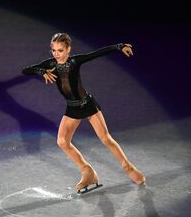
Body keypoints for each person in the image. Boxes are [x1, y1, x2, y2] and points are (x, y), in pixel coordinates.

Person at [22, 32, 146, 193]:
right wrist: (42, 71)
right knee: (62, 142)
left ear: (68, 50)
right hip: (72, 107)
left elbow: (97, 53)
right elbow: (26, 70)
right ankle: (87, 172)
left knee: (105, 138)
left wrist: (119, 46)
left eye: (60, 50)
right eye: (54, 50)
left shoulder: (75, 61)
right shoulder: (50, 63)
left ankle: (128, 168)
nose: (57, 54)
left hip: (88, 104)